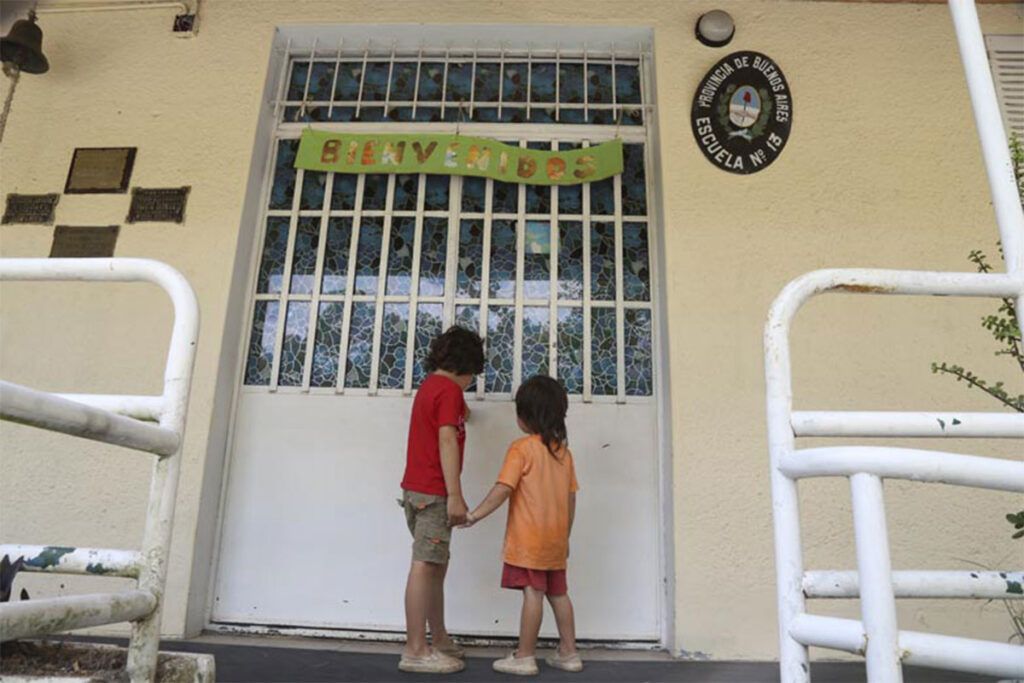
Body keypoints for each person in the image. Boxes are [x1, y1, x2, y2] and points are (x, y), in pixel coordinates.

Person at [463, 375, 584, 676]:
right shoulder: (563, 454)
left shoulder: (521, 449)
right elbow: (571, 500)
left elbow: (504, 488)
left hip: (529, 540)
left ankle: (524, 655)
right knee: (559, 594)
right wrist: (565, 537)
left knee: (533, 592)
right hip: (556, 540)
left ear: (525, 416)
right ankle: (569, 653)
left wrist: (474, 515)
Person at [398, 326, 484, 675]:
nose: (471, 384)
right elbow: (447, 441)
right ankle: (416, 649)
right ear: (466, 368)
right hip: (434, 493)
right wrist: (455, 496)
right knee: (425, 566)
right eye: (473, 378)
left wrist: (464, 409)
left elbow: (458, 414)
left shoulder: (431, 387)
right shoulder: (448, 391)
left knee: (436, 566)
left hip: (415, 491)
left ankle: (440, 637)